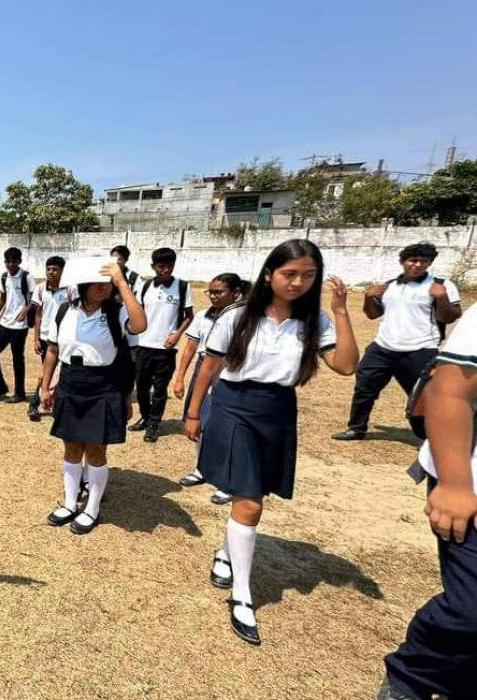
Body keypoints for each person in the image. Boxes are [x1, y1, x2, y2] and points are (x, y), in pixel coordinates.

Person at [185, 239, 359, 646]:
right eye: (290, 274)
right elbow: (209, 365)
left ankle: (226, 552)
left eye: (308, 275)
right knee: (249, 500)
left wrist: (340, 311)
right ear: (269, 275)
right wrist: (194, 412)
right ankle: (242, 596)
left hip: (277, 409)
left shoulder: (315, 321)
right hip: (233, 407)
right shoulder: (238, 316)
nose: (298, 282)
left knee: (254, 491)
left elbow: (346, 365)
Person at [378, 304, 477, 700]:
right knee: (471, 608)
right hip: (469, 480)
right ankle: (411, 679)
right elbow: (449, 389)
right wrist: (454, 485)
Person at [39, 258, 146, 534]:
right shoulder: (64, 311)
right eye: (97, 283)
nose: (103, 287)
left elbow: (141, 324)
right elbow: (52, 350)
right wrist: (45, 386)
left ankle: (92, 508)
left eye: (106, 283)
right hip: (70, 383)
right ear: (82, 285)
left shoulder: (117, 312)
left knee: (96, 450)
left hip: (103, 384)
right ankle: (70, 502)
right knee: (72, 447)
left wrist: (121, 283)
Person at [333, 242, 462, 441]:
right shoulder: (390, 285)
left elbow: (450, 317)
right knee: (364, 388)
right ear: (403, 262)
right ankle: (356, 428)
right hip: (383, 347)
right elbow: (372, 315)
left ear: (430, 263)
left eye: (424, 261)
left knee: (422, 396)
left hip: (420, 349)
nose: (418, 265)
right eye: (413, 260)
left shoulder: (441, 286)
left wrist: (442, 298)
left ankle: (429, 437)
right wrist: (369, 297)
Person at [172, 273, 249, 506]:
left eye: (219, 292)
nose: (213, 297)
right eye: (210, 292)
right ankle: (202, 468)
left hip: (230, 372)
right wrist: (180, 377)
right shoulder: (203, 316)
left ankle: (228, 482)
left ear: (235, 293)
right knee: (201, 424)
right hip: (204, 368)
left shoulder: (245, 318)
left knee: (228, 429)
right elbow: (190, 347)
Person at [131, 247, 194, 443]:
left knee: (159, 389)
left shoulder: (182, 287)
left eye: (169, 266)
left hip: (165, 349)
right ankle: (145, 415)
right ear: (153, 266)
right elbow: (137, 312)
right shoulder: (145, 287)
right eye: (161, 266)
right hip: (143, 345)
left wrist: (177, 334)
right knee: (141, 387)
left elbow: (189, 315)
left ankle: (153, 424)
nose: (165, 270)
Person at [0, 247, 35, 403]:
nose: (11, 265)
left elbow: (35, 300)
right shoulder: (4, 277)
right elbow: (3, 299)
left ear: (19, 261)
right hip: (5, 322)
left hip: (20, 326)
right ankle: (1, 387)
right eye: (8, 262)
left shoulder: (27, 277)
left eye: (14, 261)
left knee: (17, 358)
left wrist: (26, 310)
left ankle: (19, 393)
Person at [28, 256, 72, 421]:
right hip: (47, 339)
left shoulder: (70, 289)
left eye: (55, 269)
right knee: (45, 373)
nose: (51, 272)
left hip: (65, 339)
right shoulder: (40, 289)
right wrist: (36, 338)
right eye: (48, 269)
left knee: (62, 374)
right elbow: (38, 314)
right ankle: (34, 405)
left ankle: (54, 405)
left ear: (62, 271)